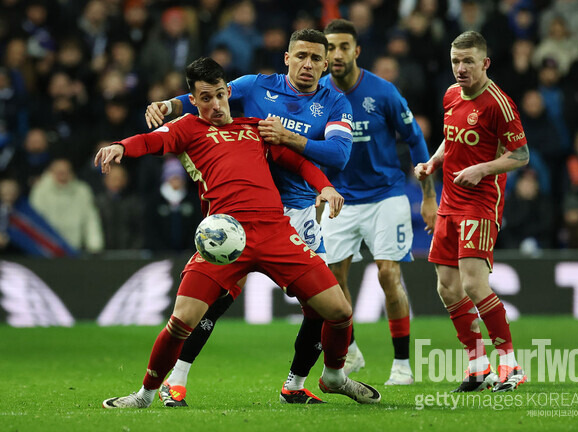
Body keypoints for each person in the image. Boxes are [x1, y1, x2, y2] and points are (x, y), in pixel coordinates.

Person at [98, 57, 381, 409]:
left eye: (219, 95)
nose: (215, 105)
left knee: (339, 311)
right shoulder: (187, 128)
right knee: (181, 321)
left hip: (277, 233)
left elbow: (298, 161)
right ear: (194, 100)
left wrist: (324, 187)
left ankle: (335, 376)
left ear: (228, 91)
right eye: (205, 98)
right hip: (225, 239)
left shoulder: (256, 128)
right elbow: (151, 140)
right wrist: (122, 146)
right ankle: (145, 395)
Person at [145, 28, 353, 406]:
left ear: (325, 65)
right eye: (301, 56)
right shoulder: (256, 86)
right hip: (242, 210)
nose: (308, 64)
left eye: (316, 59)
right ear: (286, 58)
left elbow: (338, 156)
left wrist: (288, 138)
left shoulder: (336, 103)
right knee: (216, 299)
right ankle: (176, 380)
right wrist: (170, 106)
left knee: (319, 307)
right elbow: (210, 96)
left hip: (300, 210)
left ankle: (295, 384)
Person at [316, 19, 437, 385]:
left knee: (388, 274)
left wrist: (429, 195)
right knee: (332, 282)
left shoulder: (382, 93)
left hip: (386, 195)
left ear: (356, 50)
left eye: (343, 47)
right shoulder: (316, 93)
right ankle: (350, 350)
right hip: (340, 198)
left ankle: (402, 364)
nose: (336, 54)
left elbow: (415, 139)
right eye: (330, 48)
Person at [414, 31, 529, 392]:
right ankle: (478, 364)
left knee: (473, 283)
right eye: (455, 62)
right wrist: (433, 163)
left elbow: (521, 155)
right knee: (447, 287)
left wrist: (482, 169)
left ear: (485, 63)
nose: (460, 69)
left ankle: (510, 363)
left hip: (481, 203)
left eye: (467, 62)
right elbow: (452, 136)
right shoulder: (451, 95)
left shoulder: (499, 104)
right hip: (449, 202)